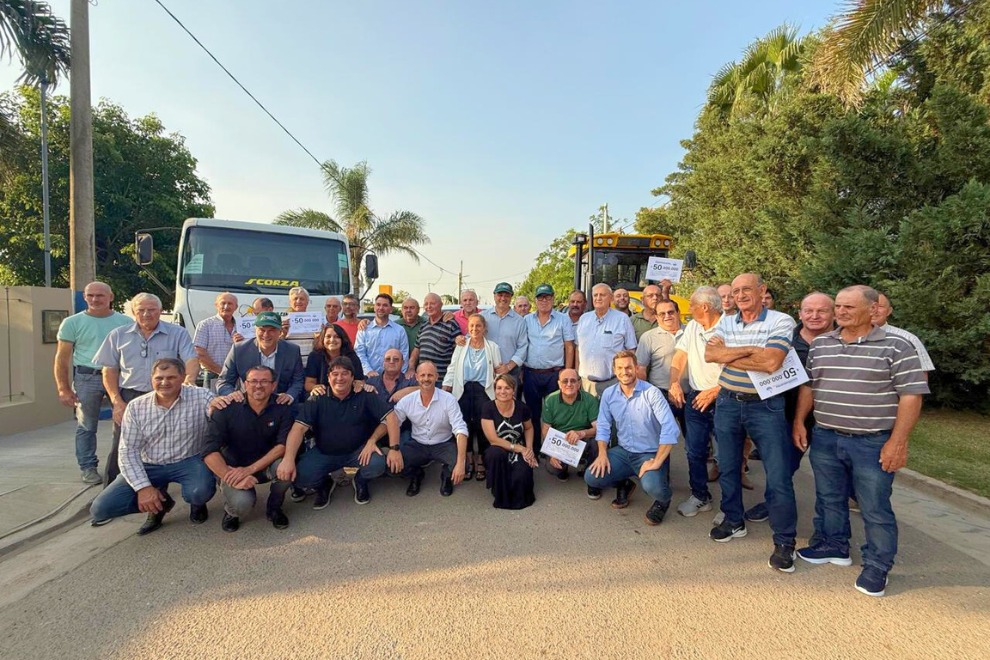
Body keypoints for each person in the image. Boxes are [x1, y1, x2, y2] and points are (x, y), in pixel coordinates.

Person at [794, 285, 930, 597]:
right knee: (829, 497)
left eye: (849, 307)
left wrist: (898, 442)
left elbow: (911, 397)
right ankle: (834, 545)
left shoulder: (897, 346)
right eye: (838, 307)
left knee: (874, 506)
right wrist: (799, 421)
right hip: (826, 436)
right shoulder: (822, 344)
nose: (840, 312)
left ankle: (877, 565)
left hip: (872, 442)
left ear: (872, 310)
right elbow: (810, 386)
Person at [704, 273, 799, 574]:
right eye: (735, 291)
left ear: (762, 290)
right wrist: (752, 351)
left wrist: (729, 355)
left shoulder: (781, 321)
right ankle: (734, 520)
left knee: (778, 475)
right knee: (729, 467)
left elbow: (772, 362)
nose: (740, 296)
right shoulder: (727, 321)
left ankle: (784, 541)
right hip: (728, 402)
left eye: (747, 289)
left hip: (766, 405)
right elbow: (710, 354)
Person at [89, 358, 215, 535]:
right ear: (151, 379)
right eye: (159, 378)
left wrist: (225, 402)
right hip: (150, 464)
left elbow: (218, 409)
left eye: (171, 377)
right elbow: (127, 451)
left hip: (189, 460)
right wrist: (143, 489)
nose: (164, 382)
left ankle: (197, 503)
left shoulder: (201, 396)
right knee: (100, 508)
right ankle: (159, 504)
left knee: (199, 491)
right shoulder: (136, 407)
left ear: (182, 377)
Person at [745, 292, 835, 525]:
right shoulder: (783, 339)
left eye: (822, 311)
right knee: (782, 469)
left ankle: (832, 524)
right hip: (787, 417)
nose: (814, 316)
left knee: (833, 474)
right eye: (809, 311)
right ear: (800, 314)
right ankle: (772, 504)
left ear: (833, 314)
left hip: (831, 419)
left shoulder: (845, 342)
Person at [94, 292, 199, 486]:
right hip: (130, 397)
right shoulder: (118, 335)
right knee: (122, 444)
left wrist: (189, 380)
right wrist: (116, 401)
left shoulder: (178, 333)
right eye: (141, 310)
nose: (146, 314)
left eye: (151, 310)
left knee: (163, 445)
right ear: (133, 311)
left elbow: (191, 359)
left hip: (165, 397)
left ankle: (159, 491)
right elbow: (109, 371)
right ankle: (113, 491)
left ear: (160, 311)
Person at [277, 357, 402, 509]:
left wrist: (392, 448)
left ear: (352, 377)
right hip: (325, 452)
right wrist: (288, 458)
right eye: (335, 374)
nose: (340, 378)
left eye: (345, 373)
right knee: (301, 477)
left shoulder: (364, 394)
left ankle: (360, 481)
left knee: (377, 464)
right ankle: (325, 484)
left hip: (358, 451)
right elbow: (298, 428)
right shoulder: (317, 398)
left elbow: (391, 417)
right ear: (328, 377)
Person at [584, 351, 679, 525]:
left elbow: (670, 428)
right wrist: (602, 454)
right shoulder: (609, 394)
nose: (624, 372)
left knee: (653, 487)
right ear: (614, 370)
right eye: (620, 368)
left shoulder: (652, 393)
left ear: (636, 368)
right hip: (624, 451)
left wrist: (657, 461)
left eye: (628, 367)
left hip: (649, 453)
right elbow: (603, 426)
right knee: (592, 477)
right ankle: (626, 483)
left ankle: (663, 500)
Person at [54, 281, 132, 484]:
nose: (95, 299)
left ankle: (122, 467)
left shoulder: (125, 322)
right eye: (90, 295)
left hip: (118, 377)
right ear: (85, 297)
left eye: (100, 295)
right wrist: (63, 388)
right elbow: (62, 358)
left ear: (110, 297)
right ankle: (88, 467)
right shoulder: (72, 323)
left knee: (124, 424)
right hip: (87, 378)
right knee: (86, 425)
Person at [203, 365, 293, 532]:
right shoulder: (226, 407)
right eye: (253, 381)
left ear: (273, 385)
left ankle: (274, 507)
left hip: (266, 464)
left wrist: (250, 469)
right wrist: (229, 475)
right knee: (241, 503)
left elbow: (282, 446)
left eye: (264, 381)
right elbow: (209, 450)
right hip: (233, 468)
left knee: (287, 469)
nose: (258, 386)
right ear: (245, 384)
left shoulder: (283, 407)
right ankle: (232, 512)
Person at [668, 287, 723, 517]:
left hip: (723, 398)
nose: (689, 308)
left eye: (692, 305)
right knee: (694, 450)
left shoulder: (730, 327)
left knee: (726, 454)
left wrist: (715, 391)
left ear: (705, 307)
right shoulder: (692, 326)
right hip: (696, 396)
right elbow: (681, 356)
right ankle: (700, 496)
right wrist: (674, 382)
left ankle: (730, 507)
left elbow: (738, 367)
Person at [394, 361, 470, 497]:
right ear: (416, 377)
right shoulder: (407, 401)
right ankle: (416, 475)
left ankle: (446, 476)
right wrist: (393, 449)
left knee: (463, 463)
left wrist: (460, 463)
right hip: (418, 444)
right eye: (422, 375)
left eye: (430, 375)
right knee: (393, 464)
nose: (426, 379)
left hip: (443, 443)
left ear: (436, 377)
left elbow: (460, 429)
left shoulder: (449, 399)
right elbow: (393, 424)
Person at [443, 313, 501, 481]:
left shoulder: (493, 347)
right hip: (463, 390)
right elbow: (452, 368)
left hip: (484, 391)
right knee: (464, 425)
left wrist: (499, 392)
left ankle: (480, 459)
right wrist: (446, 387)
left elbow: (498, 371)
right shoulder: (461, 345)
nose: (475, 329)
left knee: (484, 426)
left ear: (484, 328)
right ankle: (467, 459)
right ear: (468, 328)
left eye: (478, 326)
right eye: (472, 326)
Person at [217, 311, 304, 407]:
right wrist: (232, 394)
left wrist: (290, 395)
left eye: (271, 330)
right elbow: (224, 382)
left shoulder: (292, 350)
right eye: (262, 330)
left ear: (280, 332)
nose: (266, 335)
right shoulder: (238, 350)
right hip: (247, 405)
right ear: (255, 330)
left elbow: (298, 380)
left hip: (280, 404)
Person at [522, 284, 576, 434]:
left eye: (547, 297)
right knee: (533, 413)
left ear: (553, 299)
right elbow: (522, 345)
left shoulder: (563, 319)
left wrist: (567, 372)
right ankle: (535, 446)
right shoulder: (527, 320)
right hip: (531, 373)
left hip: (554, 374)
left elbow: (569, 346)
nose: (544, 301)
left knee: (557, 413)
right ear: (535, 300)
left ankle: (554, 447)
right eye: (540, 298)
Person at [482, 374, 538, 509]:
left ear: (514, 390)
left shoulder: (522, 408)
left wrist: (529, 449)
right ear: (494, 390)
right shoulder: (488, 408)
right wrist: (520, 448)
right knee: (495, 454)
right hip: (497, 448)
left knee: (522, 476)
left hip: (519, 448)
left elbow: (529, 428)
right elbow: (493, 439)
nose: (503, 391)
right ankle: (499, 489)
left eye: (507, 388)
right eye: (499, 388)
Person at [541, 368, 600, 493]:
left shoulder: (590, 399)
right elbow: (546, 429)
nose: (569, 384)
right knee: (553, 468)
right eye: (565, 381)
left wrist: (581, 433)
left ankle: (592, 478)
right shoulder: (550, 400)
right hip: (561, 442)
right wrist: (552, 453)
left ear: (579, 383)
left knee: (597, 443)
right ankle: (563, 469)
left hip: (583, 440)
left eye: (573, 381)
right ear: (559, 383)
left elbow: (598, 428)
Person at [576, 284, 637, 397]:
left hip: (612, 383)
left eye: (602, 295)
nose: (598, 298)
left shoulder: (622, 319)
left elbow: (631, 350)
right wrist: (576, 375)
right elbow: (578, 349)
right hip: (585, 383)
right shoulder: (584, 319)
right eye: (595, 295)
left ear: (611, 298)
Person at [365, 348, 419, 446]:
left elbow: (427, 390)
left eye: (396, 359)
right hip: (374, 430)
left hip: (402, 431)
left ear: (403, 363)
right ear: (383, 363)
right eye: (388, 359)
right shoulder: (371, 382)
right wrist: (363, 386)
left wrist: (406, 391)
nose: (391, 362)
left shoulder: (409, 382)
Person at [872, 293, 935, 375]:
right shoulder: (854, 338)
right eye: (871, 306)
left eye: (880, 306)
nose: (875, 310)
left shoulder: (909, 339)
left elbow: (920, 377)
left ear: (889, 311)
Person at [636, 298, 684, 400]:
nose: (667, 316)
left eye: (670, 312)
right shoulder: (648, 337)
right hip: (660, 393)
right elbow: (641, 368)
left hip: (690, 394)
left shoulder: (690, 332)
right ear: (656, 317)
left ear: (678, 313)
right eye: (662, 314)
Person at [354, 293, 409, 378]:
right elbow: (359, 353)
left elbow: (404, 355)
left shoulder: (399, 330)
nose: (381, 308)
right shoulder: (364, 329)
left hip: (393, 378)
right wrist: (368, 371)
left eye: (385, 305)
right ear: (374, 307)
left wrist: (400, 376)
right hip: (368, 377)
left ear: (391, 309)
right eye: (378, 304)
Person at [408, 293, 461, 381]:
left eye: (432, 303)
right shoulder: (423, 326)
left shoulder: (451, 325)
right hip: (423, 379)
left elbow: (458, 354)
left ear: (441, 305)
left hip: (441, 380)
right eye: (426, 304)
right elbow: (416, 350)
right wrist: (411, 368)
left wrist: (450, 380)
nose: (429, 306)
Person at [193, 292, 239, 392]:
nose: (226, 306)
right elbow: (199, 353)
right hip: (213, 374)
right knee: (212, 401)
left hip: (237, 376)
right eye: (223, 303)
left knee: (236, 401)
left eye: (230, 303)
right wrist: (222, 372)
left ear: (236, 307)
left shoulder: (241, 326)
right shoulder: (205, 325)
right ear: (216, 305)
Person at [306, 323, 366, 396]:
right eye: (328, 336)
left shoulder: (351, 356)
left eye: (337, 337)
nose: (332, 340)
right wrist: (314, 387)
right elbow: (308, 384)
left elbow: (361, 381)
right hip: (323, 395)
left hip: (347, 396)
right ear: (322, 339)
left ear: (342, 340)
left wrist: (359, 384)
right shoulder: (315, 356)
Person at [280, 286, 317, 363]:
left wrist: (319, 337)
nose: (298, 301)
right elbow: (276, 345)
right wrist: (283, 334)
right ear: (290, 302)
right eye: (295, 298)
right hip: (290, 364)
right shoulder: (282, 321)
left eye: (302, 299)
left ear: (307, 302)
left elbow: (319, 345)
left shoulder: (315, 320)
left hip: (310, 364)